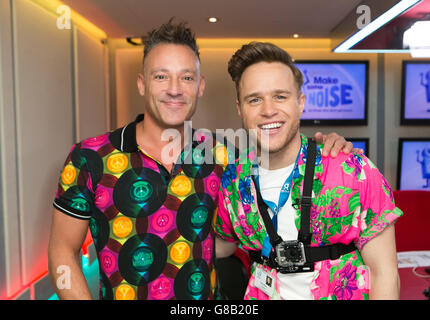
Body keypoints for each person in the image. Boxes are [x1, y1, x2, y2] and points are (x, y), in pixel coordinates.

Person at [48, 19, 354, 300]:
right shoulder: (90, 157)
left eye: (186, 77)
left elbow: (280, 169)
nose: (174, 90)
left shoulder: (225, 157)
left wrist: (324, 148)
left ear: (200, 86)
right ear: (142, 83)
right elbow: (63, 250)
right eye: (161, 76)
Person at [215, 42, 403, 300]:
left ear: (300, 102)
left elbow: (385, 273)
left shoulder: (354, 170)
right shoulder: (233, 182)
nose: (268, 110)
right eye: (255, 99)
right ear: (240, 109)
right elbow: (219, 246)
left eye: (280, 96)